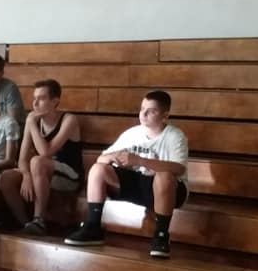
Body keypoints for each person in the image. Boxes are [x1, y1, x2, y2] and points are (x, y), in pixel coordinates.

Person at [65, 90, 188, 258]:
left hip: (167, 191)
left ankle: (161, 235)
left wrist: (140, 161)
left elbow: (179, 168)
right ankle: (93, 226)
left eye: (151, 111)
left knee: (164, 176)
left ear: (165, 115)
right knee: (98, 169)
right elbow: (101, 158)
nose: (143, 114)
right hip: (137, 185)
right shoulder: (133, 133)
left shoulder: (175, 136)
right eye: (142, 109)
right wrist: (113, 157)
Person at [0, 80, 83, 235]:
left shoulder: (69, 120)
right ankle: (26, 224)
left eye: (41, 99)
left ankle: (39, 220)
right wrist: (26, 175)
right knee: (5, 178)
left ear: (55, 101)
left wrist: (31, 123)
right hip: (41, 170)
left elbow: (45, 152)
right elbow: (22, 159)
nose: (35, 103)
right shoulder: (33, 120)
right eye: (34, 98)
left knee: (37, 161)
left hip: (70, 175)